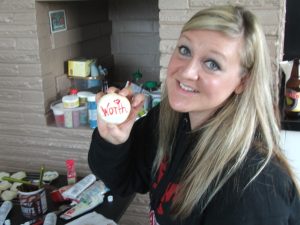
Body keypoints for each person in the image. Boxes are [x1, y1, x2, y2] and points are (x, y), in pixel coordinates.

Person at [88, 5, 300, 225]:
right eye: (185, 50)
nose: (187, 72)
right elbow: (123, 181)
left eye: (212, 64)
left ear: (242, 82)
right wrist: (113, 141)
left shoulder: (254, 186)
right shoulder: (170, 118)